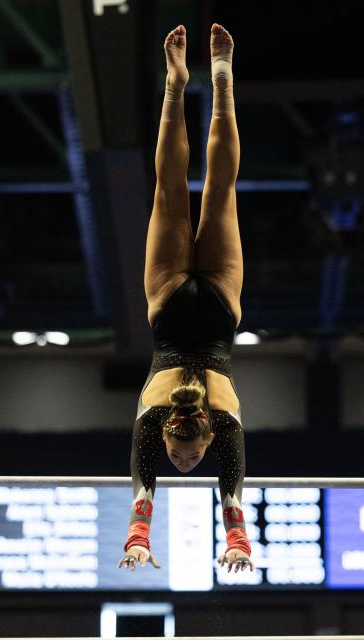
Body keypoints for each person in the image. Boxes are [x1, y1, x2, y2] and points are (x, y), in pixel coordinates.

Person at [118, 24, 253, 574]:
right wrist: (238, 544)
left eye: (182, 457)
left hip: (172, 305)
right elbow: (234, 497)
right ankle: (220, 76)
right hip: (216, 305)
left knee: (170, 188)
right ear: (208, 434)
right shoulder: (223, 427)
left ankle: (178, 82)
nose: (186, 462)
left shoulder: (157, 423)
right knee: (219, 189)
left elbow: (140, 489)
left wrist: (138, 540)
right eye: (191, 457)